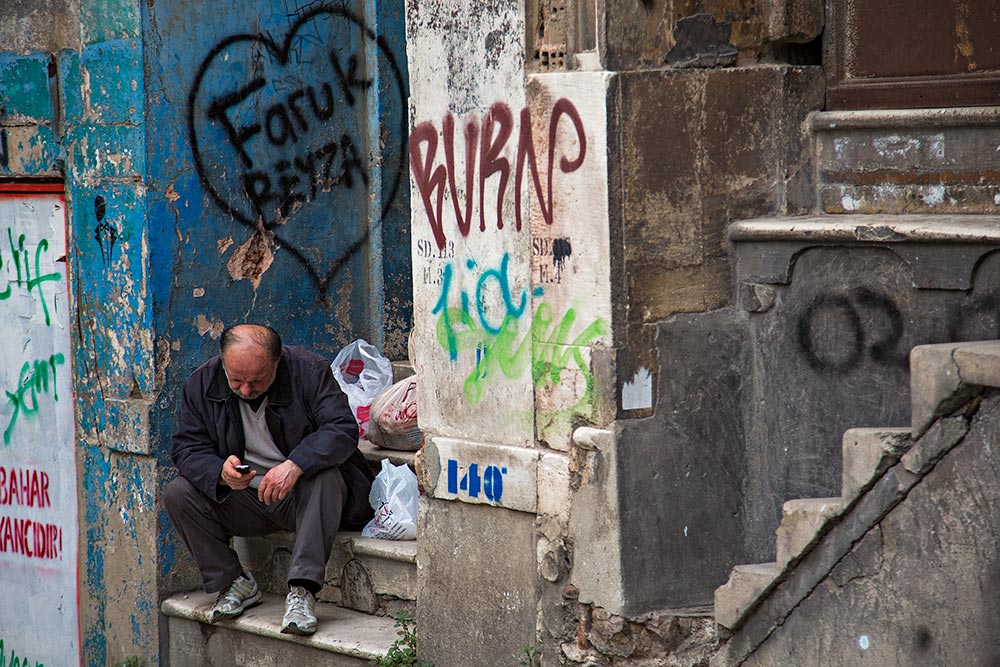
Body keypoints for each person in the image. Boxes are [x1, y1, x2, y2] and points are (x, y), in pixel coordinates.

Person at [164, 324, 374, 635]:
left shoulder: (308, 371)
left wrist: (295, 465)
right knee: (177, 493)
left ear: (277, 363)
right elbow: (187, 448)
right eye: (237, 380)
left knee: (326, 476)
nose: (246, 390)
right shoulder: (202, 382)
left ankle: (302, 591)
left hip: (302, 497)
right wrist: (219, 471)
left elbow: (342, 429)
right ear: (223, 363)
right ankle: (234, 582)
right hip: (247, 499)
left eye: (256, 381)